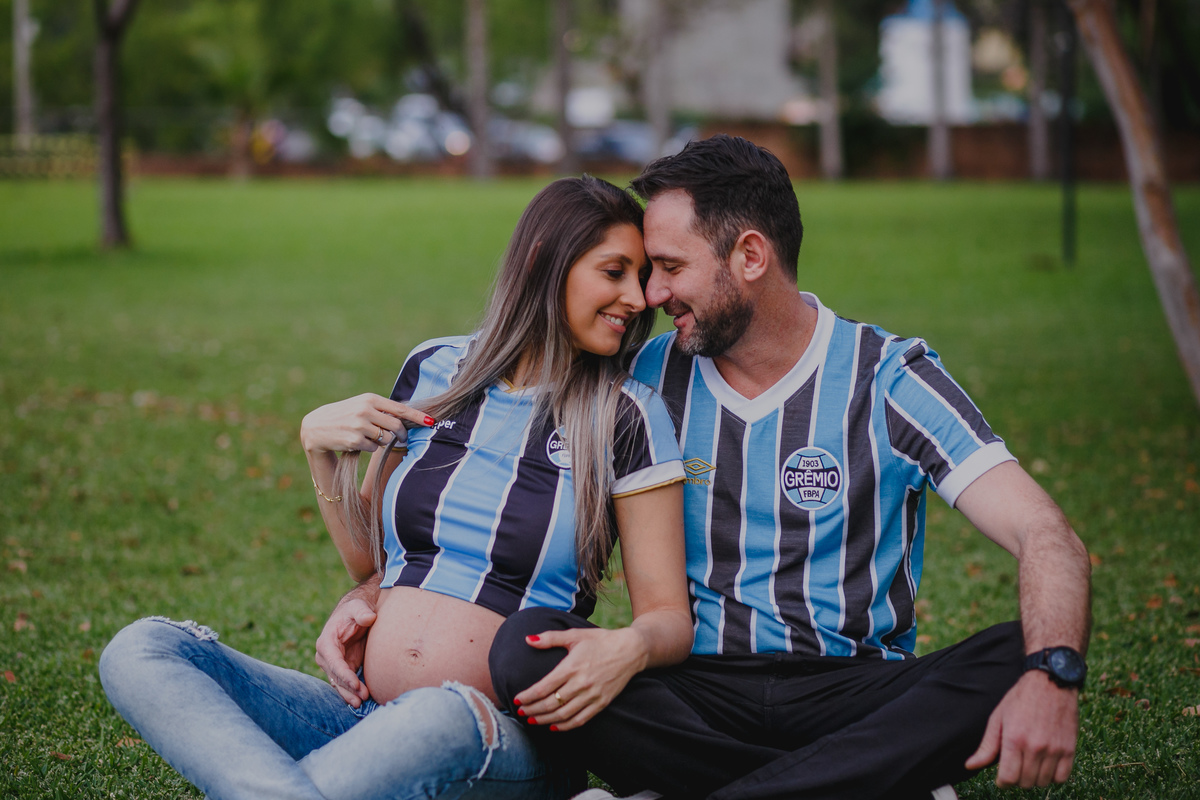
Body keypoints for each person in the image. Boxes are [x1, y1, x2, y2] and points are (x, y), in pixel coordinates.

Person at [487, 135, 1092, 800]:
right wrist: (412, 444)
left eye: (670, 266)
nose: (651, 293)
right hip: (693, 693)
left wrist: (1052, 675)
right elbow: (510, 421)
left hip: (852, 691)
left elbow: (1046, 534)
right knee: (528, 648)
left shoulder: (888, 378)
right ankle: (860, 784)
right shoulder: (643, 381)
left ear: (750, 256)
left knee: (1021, 654)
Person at [98, 176, 693, 800]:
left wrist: (624, 649)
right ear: (545, 261)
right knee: (144, 648)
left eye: (641, 277)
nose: (638, 298)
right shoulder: (434, 369)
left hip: (499, 735)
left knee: (438, 713)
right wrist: (319, 451)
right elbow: (372, 564)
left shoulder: (627, 415)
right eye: (614, 272)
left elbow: (669, 619)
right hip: (362, 714)